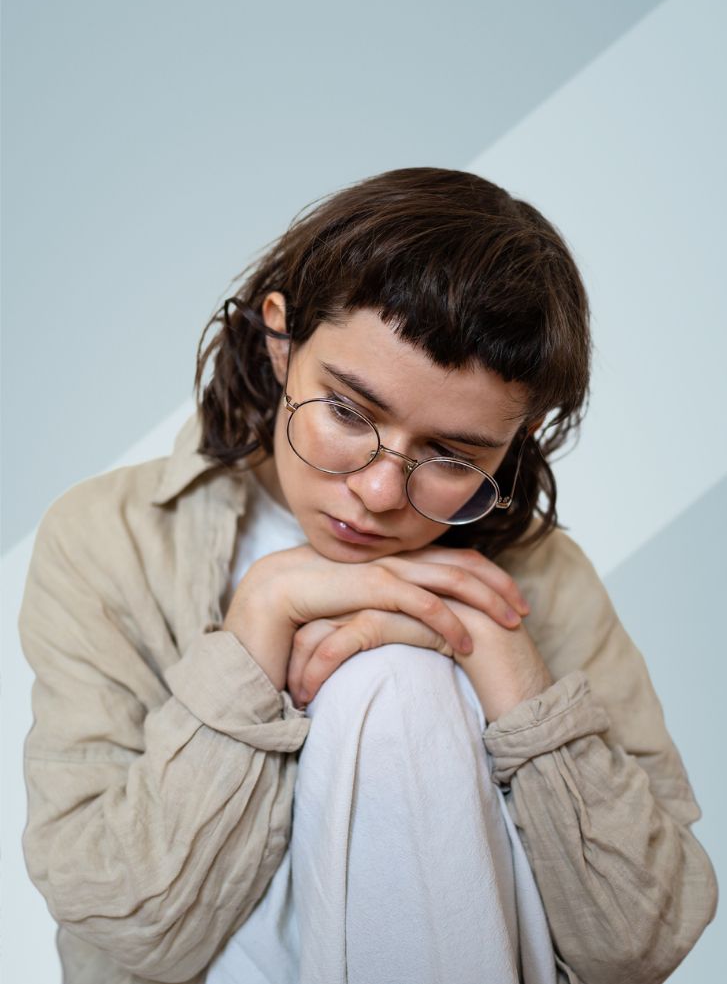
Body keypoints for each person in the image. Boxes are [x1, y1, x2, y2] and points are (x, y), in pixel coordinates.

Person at [19, 167, 717, 984]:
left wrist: (500, 662)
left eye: (451, 455)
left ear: (516, 439)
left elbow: (641, 943)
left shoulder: (544, 576)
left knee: (398, 682)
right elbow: (126, 926)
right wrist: (258, 624)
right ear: (280, 339)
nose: (381, 492)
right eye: (349, 411)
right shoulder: (109, 536)